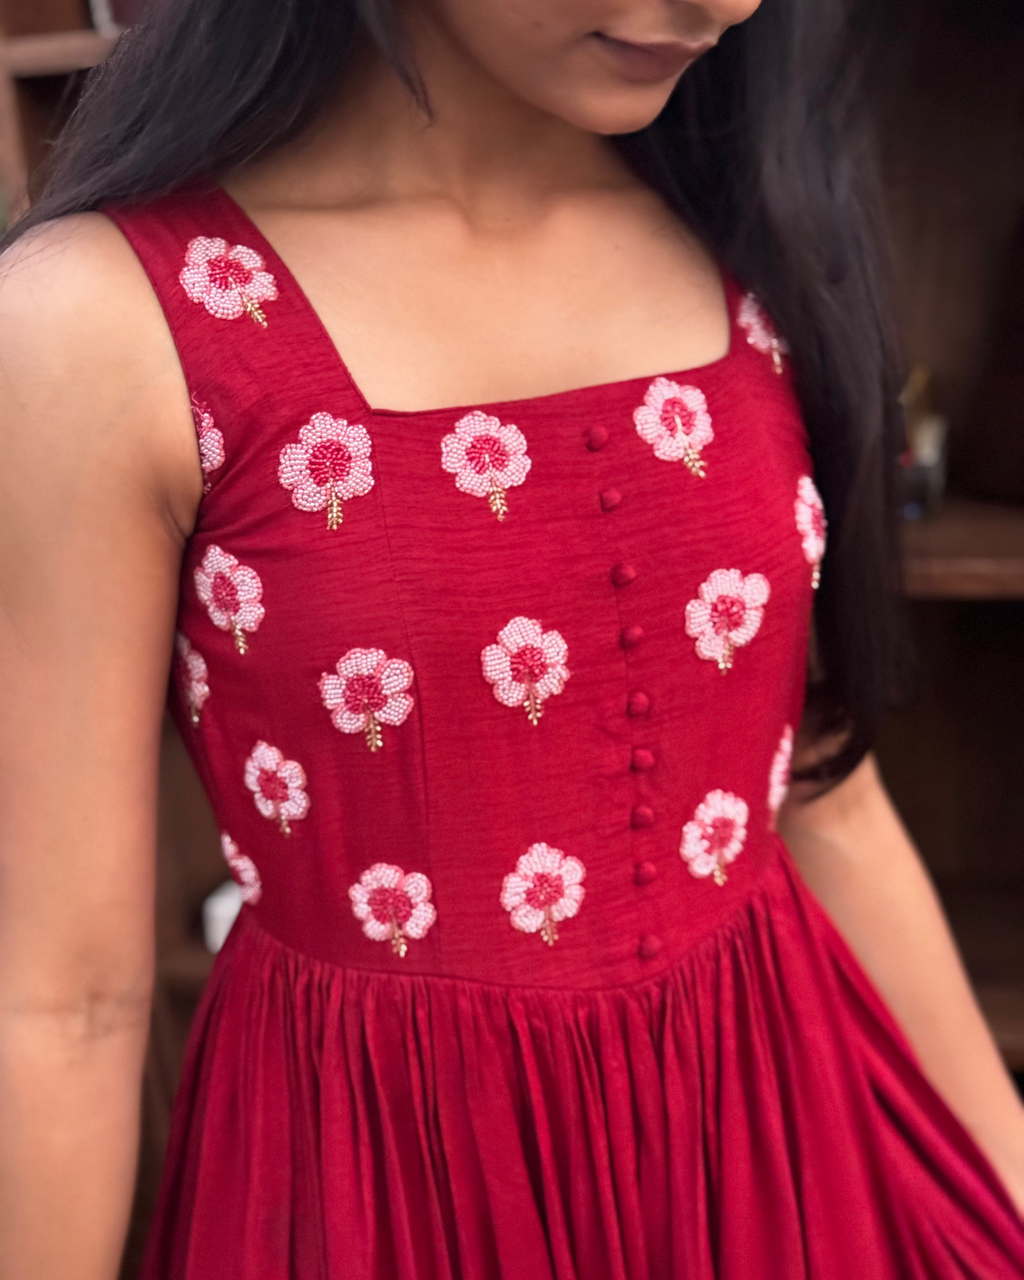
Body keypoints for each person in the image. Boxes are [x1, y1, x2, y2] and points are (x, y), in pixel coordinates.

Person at [1, 0, 1022, 1275]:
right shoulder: (104, 324)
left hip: (777, 1149)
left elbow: (822, 796)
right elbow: (65, 1002)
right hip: (380, 1182)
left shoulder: (754, 230)